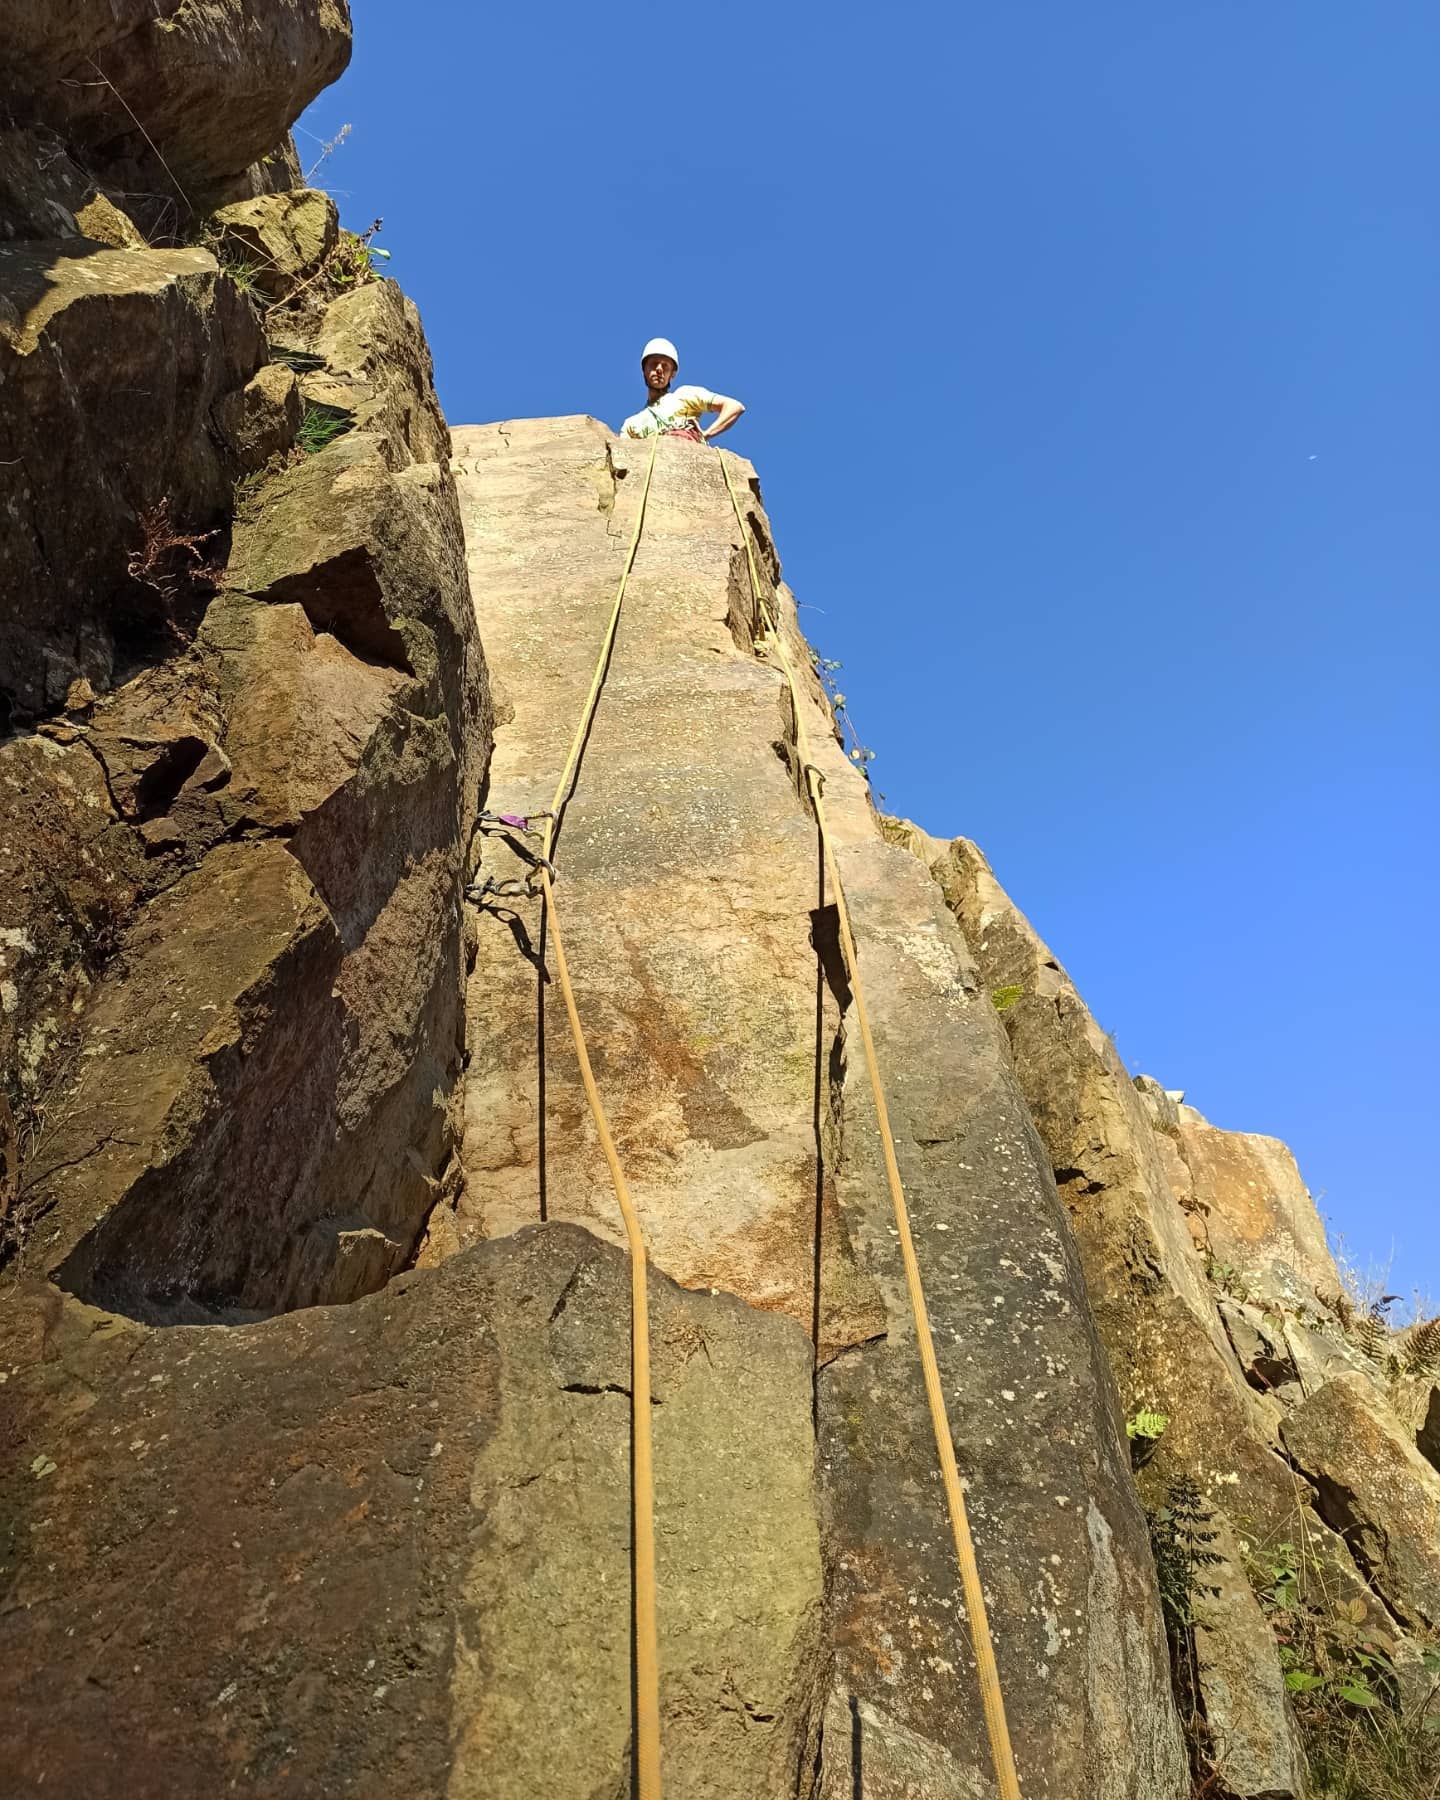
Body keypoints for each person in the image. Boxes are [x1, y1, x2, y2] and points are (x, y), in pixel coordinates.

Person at [621, 338, 745, 443]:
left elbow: (734, 407)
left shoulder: (685, 395)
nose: (659, 369)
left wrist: (706, 435)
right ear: (644, 369)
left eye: (665, 366)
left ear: (672, 374)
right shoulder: (632, 424)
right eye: (654, 364)